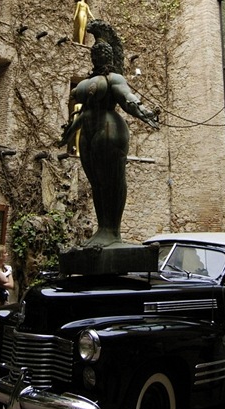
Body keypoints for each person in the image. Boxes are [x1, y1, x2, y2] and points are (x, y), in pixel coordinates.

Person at [57, 21, 158, 247]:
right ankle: (103, 227)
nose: (98, 57)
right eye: (95, 54)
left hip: (109, 130)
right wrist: (68, 133)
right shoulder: (90, 80)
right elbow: (83, 112)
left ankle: (113, 230)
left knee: (111, 180)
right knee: (96, 182)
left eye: (102, 54)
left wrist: (144, 112)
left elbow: (127, 98)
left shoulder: (114, 78)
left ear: (109, 57)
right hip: (88, 133)